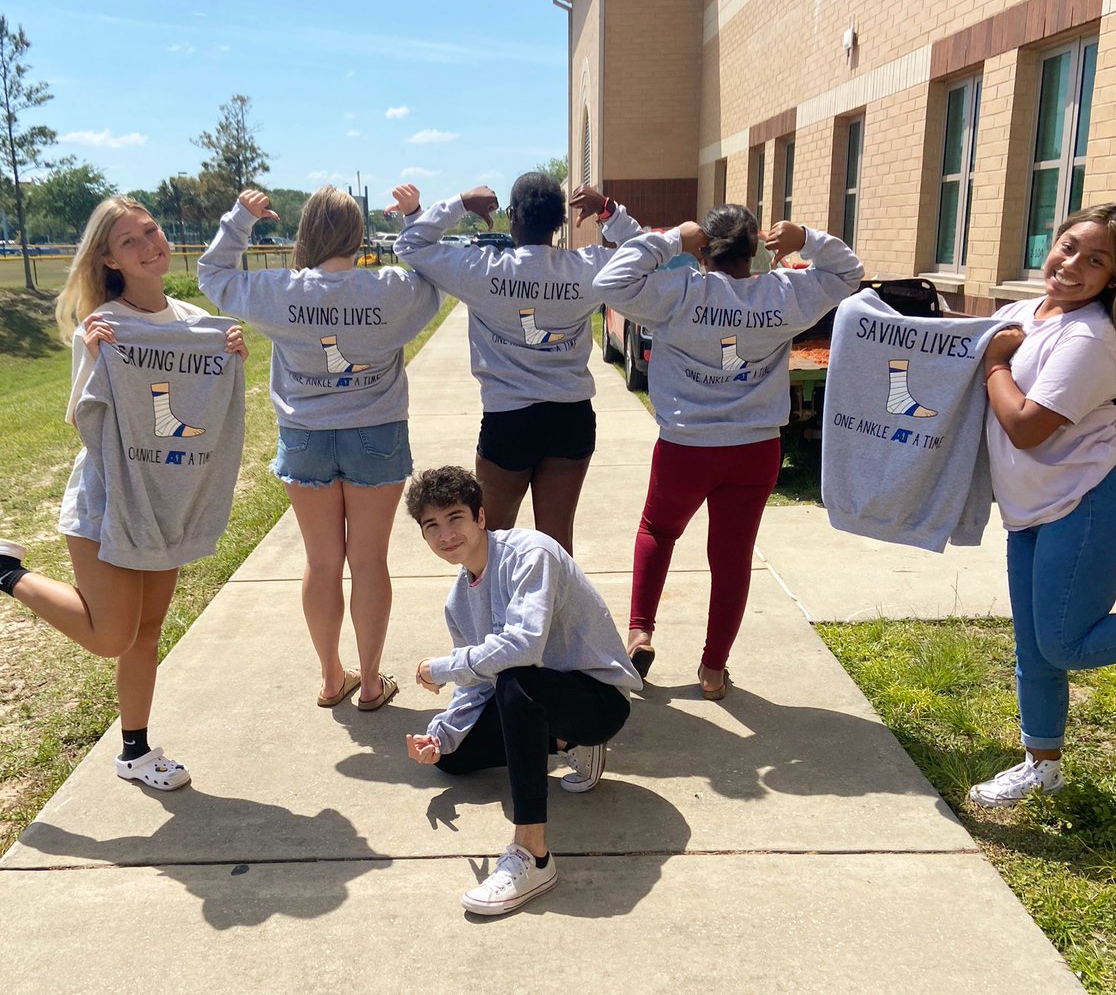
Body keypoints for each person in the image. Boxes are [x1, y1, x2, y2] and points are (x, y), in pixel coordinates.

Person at [0, 196, 248, 790]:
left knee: (147, 630)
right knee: (112, 635)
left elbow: (213, 409)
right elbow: (82, 419)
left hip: (165, 498)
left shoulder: (196, 323)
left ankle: (134, 752)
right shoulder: (104, 325)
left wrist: (230, 356)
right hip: (107, 499)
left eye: (151, 231)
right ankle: (5, 572)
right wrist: (92, 355)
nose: (148, 246)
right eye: (129, 241)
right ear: (109, 259)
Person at [969, 203, 1116, 807]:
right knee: (1033, 646)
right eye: (1068, 247)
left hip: (1091, 506)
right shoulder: (1022, 314)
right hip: (1033, 507)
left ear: (1114, 277)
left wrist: (995, 363)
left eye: (1095, 261)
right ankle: (1041, 766)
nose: (1071, 265)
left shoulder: (1090, 338)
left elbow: (1026, 427)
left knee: (1064, 644)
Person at [593, 209, 864, 699]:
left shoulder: (679, 294)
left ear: (704, 250)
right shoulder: (783, 295)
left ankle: (640, 632)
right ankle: (714, 669)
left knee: (658, 530)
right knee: (732, 558)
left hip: (686, 447)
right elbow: (849, 272)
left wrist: (671, 239)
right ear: (755, 250)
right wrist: (807, 239)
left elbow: (610, 282)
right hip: (754, 449)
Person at [198, 187, 441, 712]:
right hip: (376, 431)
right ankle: (370, 682)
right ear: (358, 235)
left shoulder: (281, 290)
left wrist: (240, 220)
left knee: (322, 561)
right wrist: (414, 221)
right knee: (369, 561)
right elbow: (433, 278)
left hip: (304, 434)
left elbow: (212, 274)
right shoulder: (390, 289)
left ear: (306, 231)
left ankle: (332, 677)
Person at [404, 466, 641, 916]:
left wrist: (443, 667)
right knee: (453, 756)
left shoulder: (531, 552)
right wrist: (440, 735)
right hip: (536, 696)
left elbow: (523, 647)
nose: (445, 535)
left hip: (598, 699)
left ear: (480, 517)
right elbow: (476, 684)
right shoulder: (458, 601)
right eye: (431, 526)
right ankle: (565, 743)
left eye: (454, 518)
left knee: (516, 681)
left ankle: (534, 856)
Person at [387, 177, 640, 555]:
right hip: (571, 416)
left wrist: (460, 203)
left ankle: (495, 598)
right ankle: (553, 596)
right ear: (559, 222)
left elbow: (410, 244)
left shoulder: (481, 269)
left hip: (509, 419)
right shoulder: (587, 267)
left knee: (490, 540)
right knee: (556, 543)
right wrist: (608, 212)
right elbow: (646, 252)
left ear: (512, 218)